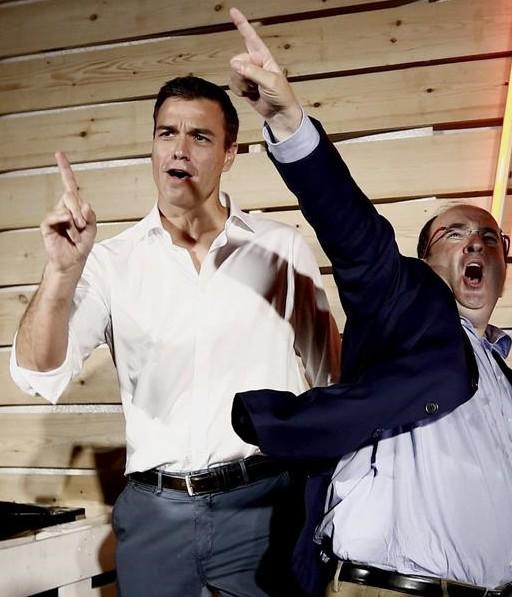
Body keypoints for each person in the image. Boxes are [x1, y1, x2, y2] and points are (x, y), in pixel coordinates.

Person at [226, 8, 512, 597]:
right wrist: (289, 121)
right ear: (423, 262)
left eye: (490, 238)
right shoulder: (403, 303)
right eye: (455, 234)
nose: (476, 243)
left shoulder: (505, 384)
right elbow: (355, 235)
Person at [10, 75, 340, 597]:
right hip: (155, 520)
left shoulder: (282, 249)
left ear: (230, 153)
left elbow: (331, 381)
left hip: (265, 509)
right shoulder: (110, 262)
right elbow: (38, 372)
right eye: (167, 133)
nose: (179, 149)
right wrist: (59, 272)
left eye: (199, 137)